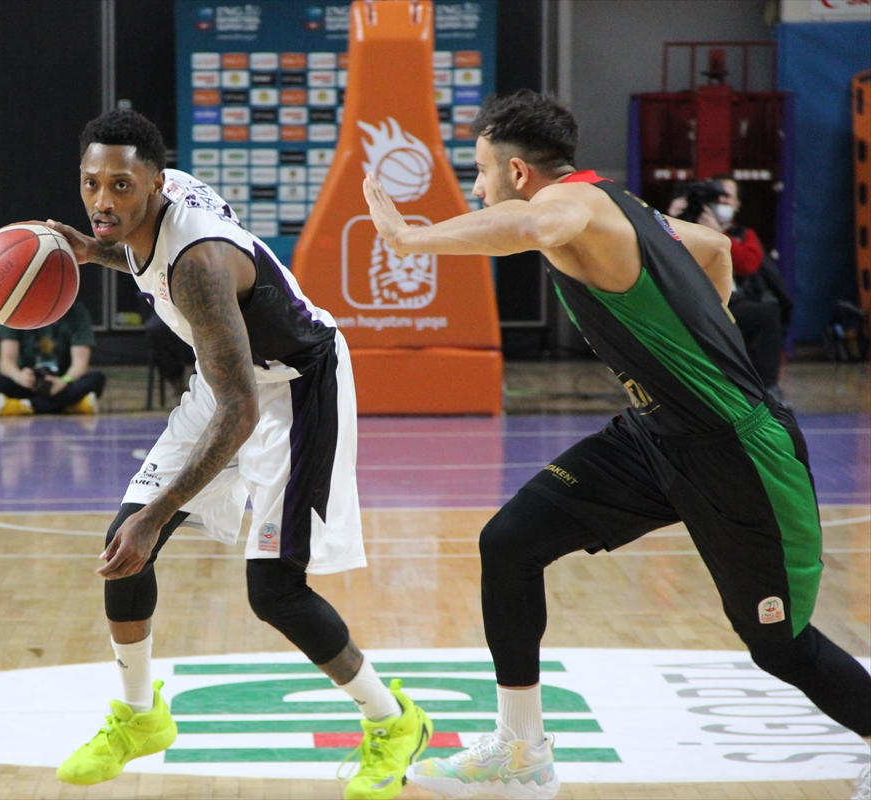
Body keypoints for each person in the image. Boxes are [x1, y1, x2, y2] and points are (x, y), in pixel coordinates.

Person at [363, 90, 871, 800]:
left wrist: (409, 237)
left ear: (517, 173)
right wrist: (708, 329)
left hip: (736, 452)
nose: (476, 188)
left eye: (479, 171)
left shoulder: (572, 204)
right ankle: (521, 751)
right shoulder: (622, 205)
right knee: (509, 543)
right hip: (654, 435)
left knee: (782, 648)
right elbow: (714, 248)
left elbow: (533, 222)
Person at [44, 109, 432, 800]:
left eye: (120, 186)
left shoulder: (198, 264)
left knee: (273, 589)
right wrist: (92, 251)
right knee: (123, 545)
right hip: (226, 379)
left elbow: (242, 410)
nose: (103, 200)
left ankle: (394, 721)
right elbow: (149, 258)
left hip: (294, 386)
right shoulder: (151, 209)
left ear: (154, 184)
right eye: (91, 183)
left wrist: (159, 514)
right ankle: (139, 716)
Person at [670, 178, 791, 398]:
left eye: (728, 197)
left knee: (767, 314)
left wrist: (717, 233)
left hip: (728, 301)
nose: (722, 202)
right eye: (718, 197)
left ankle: (768, 388)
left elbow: (748, 265)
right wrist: (668, 220)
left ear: (737, 204)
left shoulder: (743, 235)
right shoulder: (677, 226)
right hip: (689, 301)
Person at [0, 301, 105, 416]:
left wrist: (64, 381)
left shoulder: (76, 312)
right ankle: (69, 406)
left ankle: (25, 405)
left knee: (96, 379)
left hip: (61, 382)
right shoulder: (15, 311)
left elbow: (80, 363)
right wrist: (19, 376)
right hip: (28, 383)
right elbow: (6, 361)